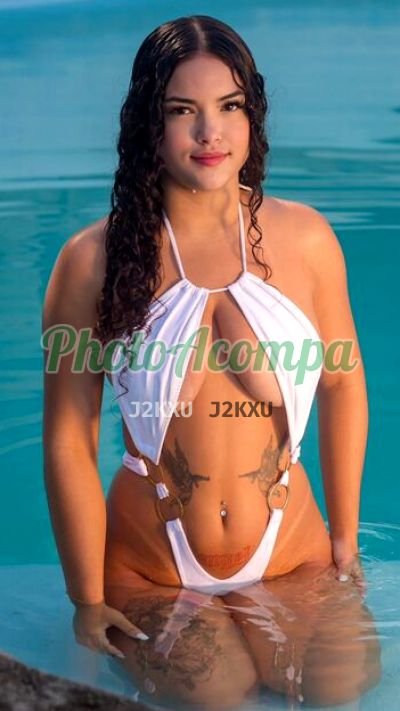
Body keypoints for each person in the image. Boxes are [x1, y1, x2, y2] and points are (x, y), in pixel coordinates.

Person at [42, 15, 379, 708]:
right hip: (154, 567)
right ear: (148, 122)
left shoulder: (305, 239)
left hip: (291, 552)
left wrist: (344, 538)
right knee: (218, 695)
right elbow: (70, 438)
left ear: (253, 115)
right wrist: (87, 598)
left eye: (229, 106)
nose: (209, 133)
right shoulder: (92, 260)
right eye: (181, 111)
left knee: (341, 686)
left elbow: (343, 382)